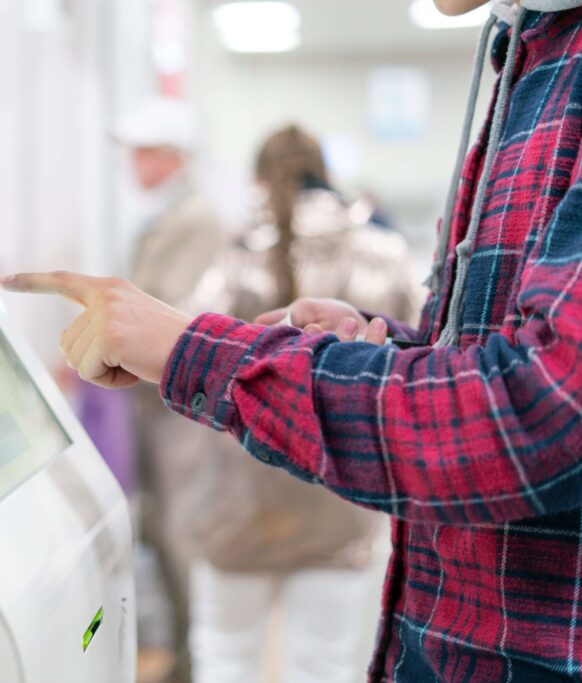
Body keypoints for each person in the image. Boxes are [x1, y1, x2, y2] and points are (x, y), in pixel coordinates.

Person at [2, 0, 582, 679]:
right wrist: (381, 351)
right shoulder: (536, 54)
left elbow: (544, 408)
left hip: (518, 635)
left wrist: (194, 346)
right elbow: (488, 360)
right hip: (398, 568)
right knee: (317, 662)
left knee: (229, 655)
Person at [183, 124, 421, 683]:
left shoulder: (234, 255)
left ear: (261, 180)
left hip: (236, 502)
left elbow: (183, 344)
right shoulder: (383, 252)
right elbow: (428, 345)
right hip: (341, 489)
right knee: (326, 667)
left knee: (225, 659)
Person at [114, 96, 229, 683]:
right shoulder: (168, 216)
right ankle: (185, 658)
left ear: (172, 156)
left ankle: (195, 663)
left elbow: (171, 310)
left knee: (182, 529)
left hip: (179, 403)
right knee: (161, 525)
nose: (135, 164)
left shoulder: (198, 220)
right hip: (155, 402)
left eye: (144, 153)